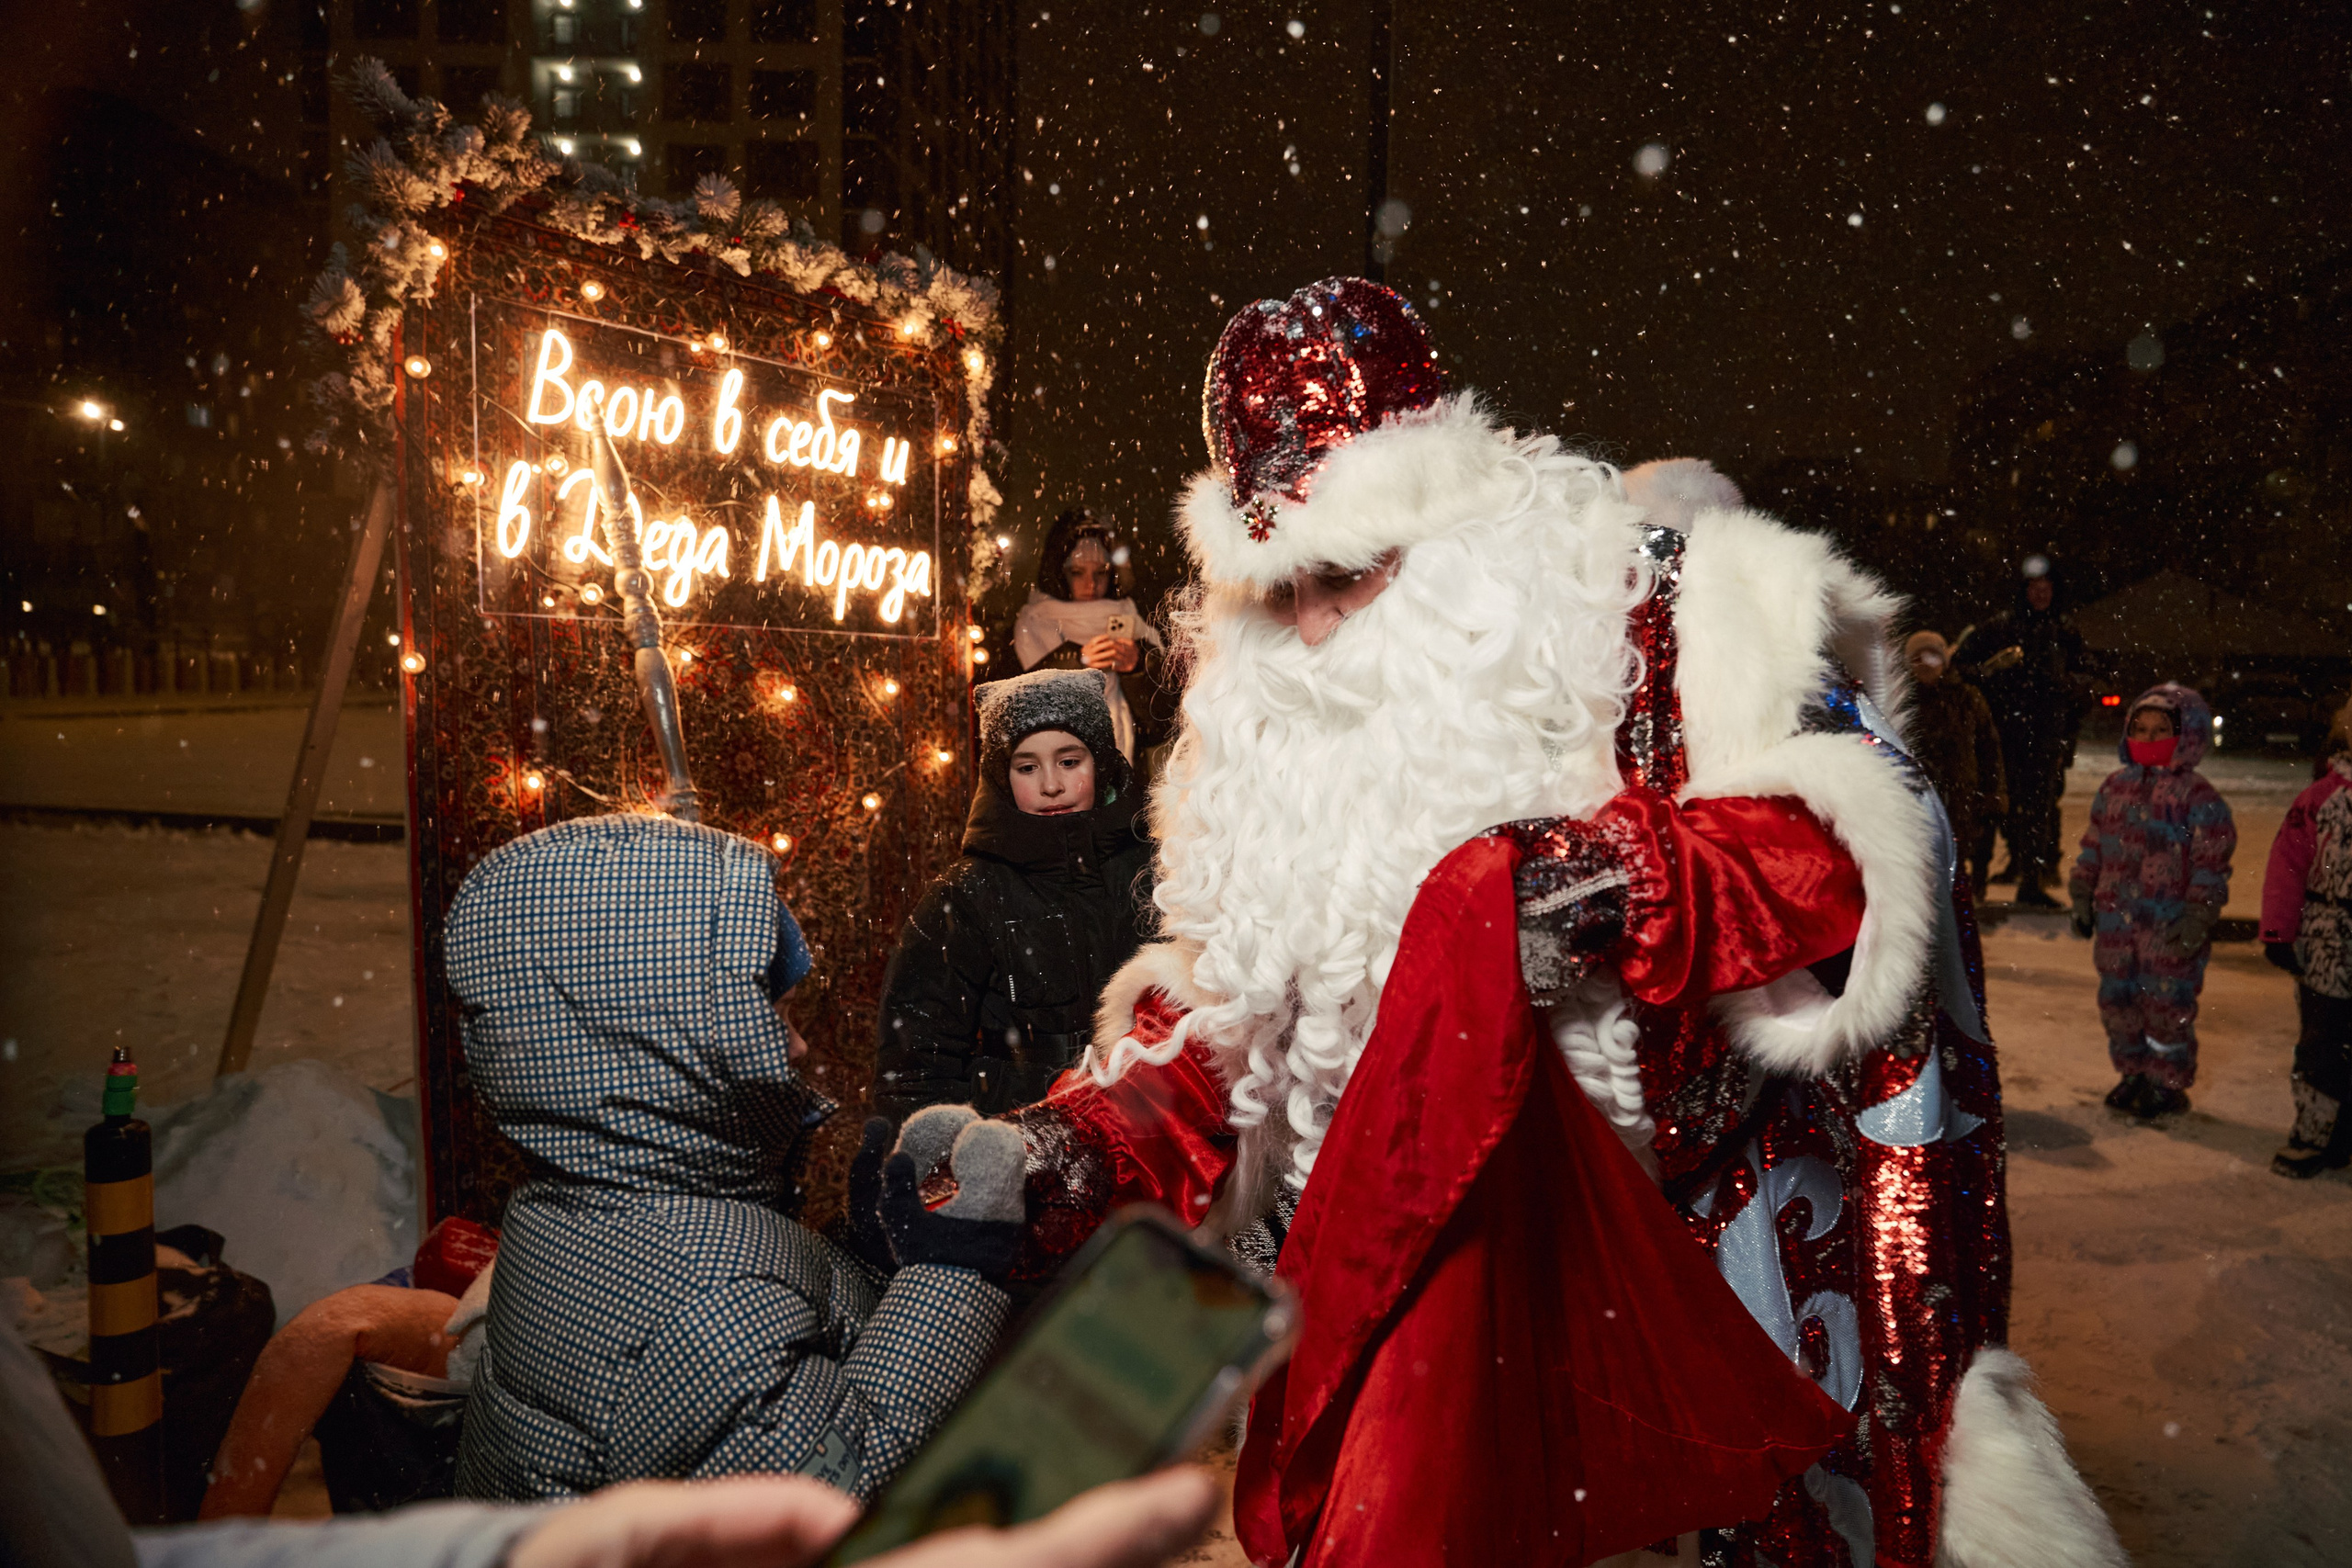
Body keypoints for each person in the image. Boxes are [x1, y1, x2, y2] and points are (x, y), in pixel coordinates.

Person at [992, 280, 2123, 1566]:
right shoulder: (1263, 715)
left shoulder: (1649, 614)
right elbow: (1225, 1023)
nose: (1307, 627)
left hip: (1685, 1286)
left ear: (1455, 514)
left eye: (1347, 574)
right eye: (1279, 586)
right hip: (1412, 1303)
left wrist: (1595, 878)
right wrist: (1054, 1150)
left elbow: (1855, 839)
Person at [443, 813, 1024, 1503]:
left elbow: (793, 1352)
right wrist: (951, 1270)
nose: (801, 1047)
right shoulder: (705, 1313)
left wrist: (869, 1258)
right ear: (665, 1054)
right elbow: (837, 1499)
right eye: (774, 1017)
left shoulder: (585, 1208)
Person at [4, 1312, 1217, 1568]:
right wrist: (955, 1272)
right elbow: (856, 1455)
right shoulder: (727, 1276)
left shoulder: (554, 1227)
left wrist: (506, 1557)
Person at [875, 669, 1155, 1121]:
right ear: (1002, 777)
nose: (1051, 785)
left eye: (1069, 761)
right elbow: (916, 1070)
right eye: (1027, 767)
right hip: (1019, 1146)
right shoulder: (966, 897)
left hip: (1157, 1141)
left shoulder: (1158, 872)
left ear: (1100, 764)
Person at [2067, 685, 2237, 1119]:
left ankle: (2166, 1081)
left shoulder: (2198, 797)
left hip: (2168, 926)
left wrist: (2200, 912)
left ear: (2187, 736)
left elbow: (2210, 862)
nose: (2148, 738)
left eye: (2161, 730)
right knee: (2118, 1003)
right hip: (2116, 925)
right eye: (2140, 729)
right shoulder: (2114, 788)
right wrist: (2084, 893)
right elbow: (2094, 847)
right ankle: (2132, 1073)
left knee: (2167, 1008)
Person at [1953, 559, 2096, 908]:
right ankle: (1982, 878)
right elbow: (1961, 667)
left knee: (2039, 811)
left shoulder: (2065, 632)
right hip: (2003, 736)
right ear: (2024, 591)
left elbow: (2089, 678)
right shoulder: (2001, 627)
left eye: (2047, 587)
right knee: (1996, 805)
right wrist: (1992, 675)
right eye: (2034, 587)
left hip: (2046, 736)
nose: (2041, 593)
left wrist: (2068, 689)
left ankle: (2031, 880)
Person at [998, 508, 1171, 762]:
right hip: (1052, 772)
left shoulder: (1132, 618)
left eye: (1100, 572)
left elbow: (1160, 724)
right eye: (1077, 572)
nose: (1091, 584)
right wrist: (1077, 664)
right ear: (1059, 571)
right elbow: (1016, 708)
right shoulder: (1033, 623)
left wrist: (1136, 669)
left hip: (1123, 771)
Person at [2259, 710, 2352, 1176]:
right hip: (2327, 939)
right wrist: (2278, 931)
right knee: (2321, 1040)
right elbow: (2287, 866)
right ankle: (2315, 1131)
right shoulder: (2321, 798)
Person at [1904, 629, 2007, 899]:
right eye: (1918, 659)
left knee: (1955, 869)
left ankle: (1958, 930)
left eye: (1932, 657)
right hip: (1911, 802)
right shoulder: (1901, 702)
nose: (1926, 665)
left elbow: (1989, 749)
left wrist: (1993, 793)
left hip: (1960, 801)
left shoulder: (1967, 699)